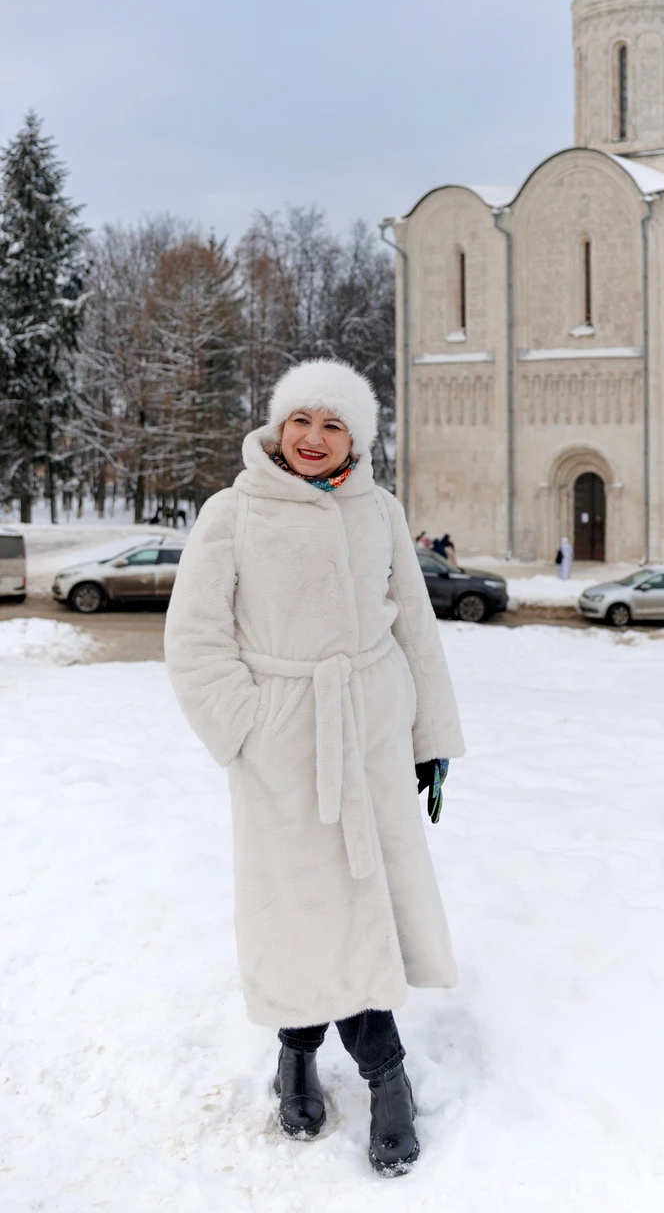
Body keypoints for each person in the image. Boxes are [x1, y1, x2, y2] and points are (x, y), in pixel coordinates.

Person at [164, 358, 465, 1177]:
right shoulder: (232, 512)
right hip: (283, 748)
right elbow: (194, 642)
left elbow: (417, 632)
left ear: (356, 440)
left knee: (364, 905)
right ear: (277, 424)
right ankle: (319, 1058)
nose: (313, 437)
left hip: (369, 737)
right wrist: (249, 730)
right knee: (298, 911)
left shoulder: (382, 513)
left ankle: (372, 1071)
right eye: (302, 420)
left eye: (334, 425)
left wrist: (429, 738)